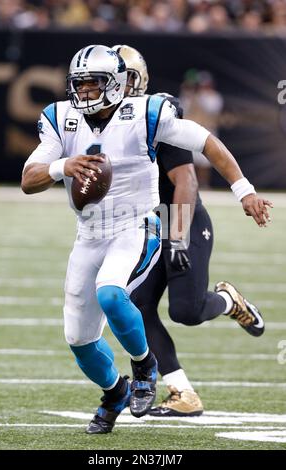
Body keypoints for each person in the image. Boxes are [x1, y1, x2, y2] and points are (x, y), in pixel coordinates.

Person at [21, 44, 271, 434]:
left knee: (137, 299)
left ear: (123, 82)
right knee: (80, 338)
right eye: (80, 85)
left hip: (145, 223)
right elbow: (28, 178)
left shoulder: (149, 114)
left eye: (94, 84)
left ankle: (147, 367)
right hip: (89, 233)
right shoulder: (61, 118)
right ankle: (116, 392)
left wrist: (243, 192)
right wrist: (62, 166)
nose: (85, 93)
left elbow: (198, 157)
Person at [113, 44, 272, 417]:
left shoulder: (153, 116)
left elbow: (188, 178)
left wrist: (242, 192)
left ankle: (230, 301)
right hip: (150, 223)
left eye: (122, 79)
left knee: (186, 311)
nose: (114, 88)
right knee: (137, 307)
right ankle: (182, 392)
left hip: (180, 219)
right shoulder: (98, 121)